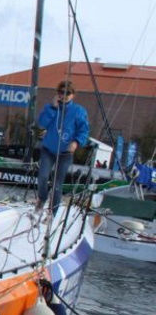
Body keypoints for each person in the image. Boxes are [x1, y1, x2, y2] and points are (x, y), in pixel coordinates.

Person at [36, 80, 89, 216]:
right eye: (61, 92)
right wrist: (53, 108)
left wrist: (76, 142)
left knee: (57, 184)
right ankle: (41, 199)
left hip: (65, 153)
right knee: (42, 177)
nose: (64, 95)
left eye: (68, 93)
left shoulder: (79, 111)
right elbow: (42, 124)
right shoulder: (51, 108)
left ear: (73, 95)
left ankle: (52, 213)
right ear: (57, 93)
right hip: (48, 150)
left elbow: (84, 130)